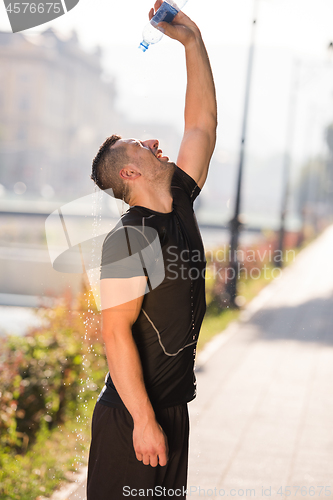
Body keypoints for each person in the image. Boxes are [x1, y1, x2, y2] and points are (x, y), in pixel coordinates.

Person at [87, 0, 217, 498]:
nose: (157, 144)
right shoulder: (129, 237)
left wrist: (192, 41)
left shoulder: (179, 201)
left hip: (172, 411)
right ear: (130, 173)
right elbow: (115, 332)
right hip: (130, 421)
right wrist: (143, 421)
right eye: (144, 147)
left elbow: (202, 124)